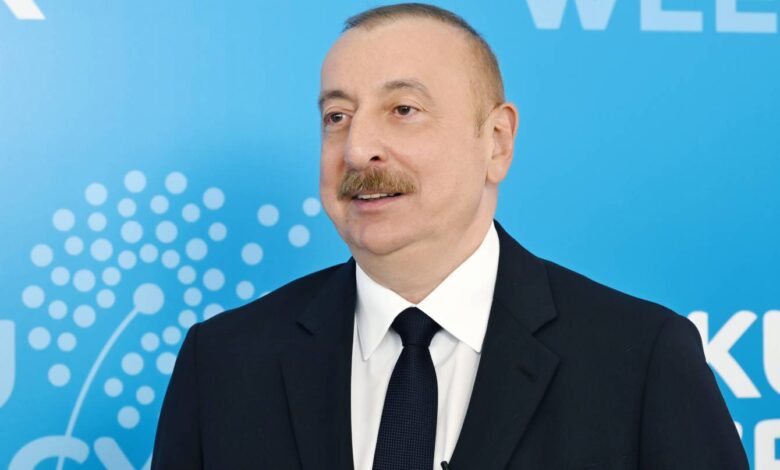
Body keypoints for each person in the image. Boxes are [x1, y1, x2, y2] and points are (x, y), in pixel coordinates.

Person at [151, 3, 749, 469]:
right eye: (337, 117)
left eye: (402, 110)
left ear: (497, 142)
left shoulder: (640, 357)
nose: (357, 149)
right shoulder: (223, 362)